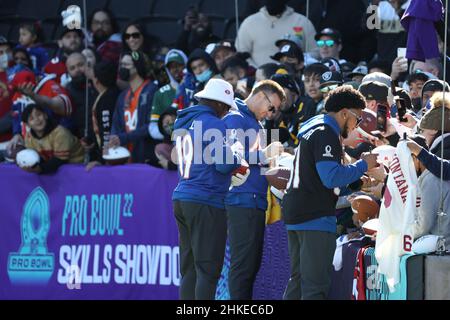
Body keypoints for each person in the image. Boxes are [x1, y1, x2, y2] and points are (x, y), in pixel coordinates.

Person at [282, 86, 378, 300]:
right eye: (358, 118)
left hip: (297, 211)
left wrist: (355, 180)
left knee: (298, 280)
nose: (357, 125)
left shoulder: (315, 125)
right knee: (315, 285)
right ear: (345, 113)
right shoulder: (326, 131)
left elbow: (318, 174)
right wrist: (363, 165)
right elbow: (330, 177)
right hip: (313, 215)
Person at [172, 79, 245, 300]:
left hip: (183, 196)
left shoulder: (183, 121)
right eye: (226, 107)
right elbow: (224, 163)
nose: (225, 113)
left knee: (190, 270)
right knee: (208, 271)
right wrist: (237, 154)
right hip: (206, 200)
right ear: (220, 104)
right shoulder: (212, 123)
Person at [223, 80, 286, 300]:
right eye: (271, 108)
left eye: (275, 111)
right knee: (243, 267)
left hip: (254, 200)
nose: (271, 114)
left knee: (250, 266)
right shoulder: (235, 117)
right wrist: (265, 155)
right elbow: (231, 156)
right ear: (261, 95)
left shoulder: (255, 123)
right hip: (242, 200)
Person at [108, 51, 158, 165]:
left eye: (126, 65)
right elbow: (116, 124)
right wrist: (114, 139)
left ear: (137, 67)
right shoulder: (122, 96)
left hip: (145, 156)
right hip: (125, 156)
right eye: (121, 65)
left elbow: (151, 125)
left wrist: (124, 137)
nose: (122, 68)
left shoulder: (152, 90)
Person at [235, 0, 316, 67]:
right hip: (258, 80)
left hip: (293, 79)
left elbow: (315, 52)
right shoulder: (249, 23)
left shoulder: (302, 22)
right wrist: (258, 72)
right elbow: (240, 54)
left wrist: (298, 64)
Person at [408, 135, 450, 244]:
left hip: (442, 245)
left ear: (415, 158)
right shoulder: (428, 177)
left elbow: (423, 226)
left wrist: (400, 234)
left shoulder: (430, 179)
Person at [20, 103, 84, 174]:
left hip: (79, 167)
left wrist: (40, 169)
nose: (37, 120)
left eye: (39, 115)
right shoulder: (29, 137)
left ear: (45, 115)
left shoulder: (60, 133)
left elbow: (60, 160)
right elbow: (35, 158)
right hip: (55, 169)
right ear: (27, 125)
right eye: (31, 119)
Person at [85, 60, 120, 169]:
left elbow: (106, 131)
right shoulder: (114, 92)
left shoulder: (107, 99)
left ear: (96, 80)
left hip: (110, 159)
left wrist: (102, 159)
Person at [149, 49, 187, 140]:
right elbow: (153, 126)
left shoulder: (196, 88)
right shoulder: (161, 93)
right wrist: (170, 135)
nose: (175, 69)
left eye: (179, 65)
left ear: (186, 65)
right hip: (172, 142)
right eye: (171, 67)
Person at [65, 52, 97, 139]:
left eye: (80, 65)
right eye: (72, 68)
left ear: (88, 64)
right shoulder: (67, 91)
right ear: (68, 72)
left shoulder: (99, 82)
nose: (77, 70)